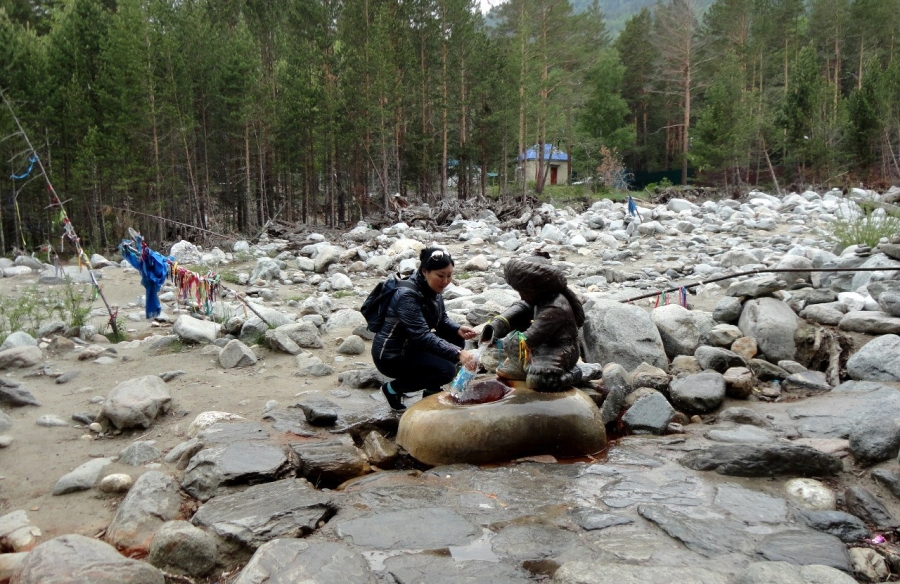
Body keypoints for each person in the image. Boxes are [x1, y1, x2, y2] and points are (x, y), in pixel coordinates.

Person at [372, 247, 478, 410]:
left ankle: (431, 390)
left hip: (411, 345)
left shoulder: (433, 288)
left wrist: (457, 328)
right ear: (424, 271)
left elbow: (441, 320)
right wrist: (458, 353)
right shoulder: (406, 295)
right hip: (391, 356)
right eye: (440, 276)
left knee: (456, 338)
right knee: (447, 371)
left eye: (449, 275)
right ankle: (392, 389)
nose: (446, 281)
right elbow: (422, 336)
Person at [482, 254, 584, 391]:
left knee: (538, 381)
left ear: (540, 288)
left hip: (559, 350)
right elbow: (519, 310)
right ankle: (520, 367)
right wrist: (495, 327)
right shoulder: (538, 297)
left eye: (524, 292)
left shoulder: (555, 308)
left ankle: (575, 373)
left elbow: (530, 338)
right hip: (541, 345)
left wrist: (502, 342)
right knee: (514, 333)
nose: (522, 296)